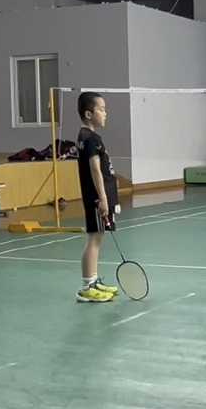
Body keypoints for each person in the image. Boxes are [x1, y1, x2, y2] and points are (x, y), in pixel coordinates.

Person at [75, 91, 120, 302]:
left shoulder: (88, 137)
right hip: (96, 198)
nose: (105, 113)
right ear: (89, 114)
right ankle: (87, 286)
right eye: (101, 109)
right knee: (94, 238)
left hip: (100, 197)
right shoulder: (90, 138)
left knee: (97, 237)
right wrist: (102, 198)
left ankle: (93, 281)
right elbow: (95, 169)